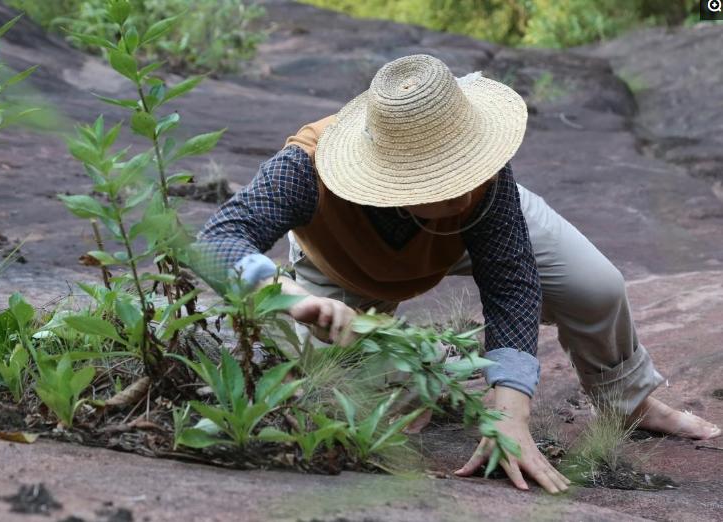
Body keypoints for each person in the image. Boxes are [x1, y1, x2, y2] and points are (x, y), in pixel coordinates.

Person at [194, 54, 721, 493]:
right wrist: (287, 297)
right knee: (342, 370)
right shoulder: (307, 167)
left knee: (597, 287)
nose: (460, 192)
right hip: (346, 269)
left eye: (461, 172)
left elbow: (510, 283)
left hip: (470, 242)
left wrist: (510, 411)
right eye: (436, 181)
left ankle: (627, 401)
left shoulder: (479, 163)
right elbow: (217, 240)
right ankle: (435, 370)